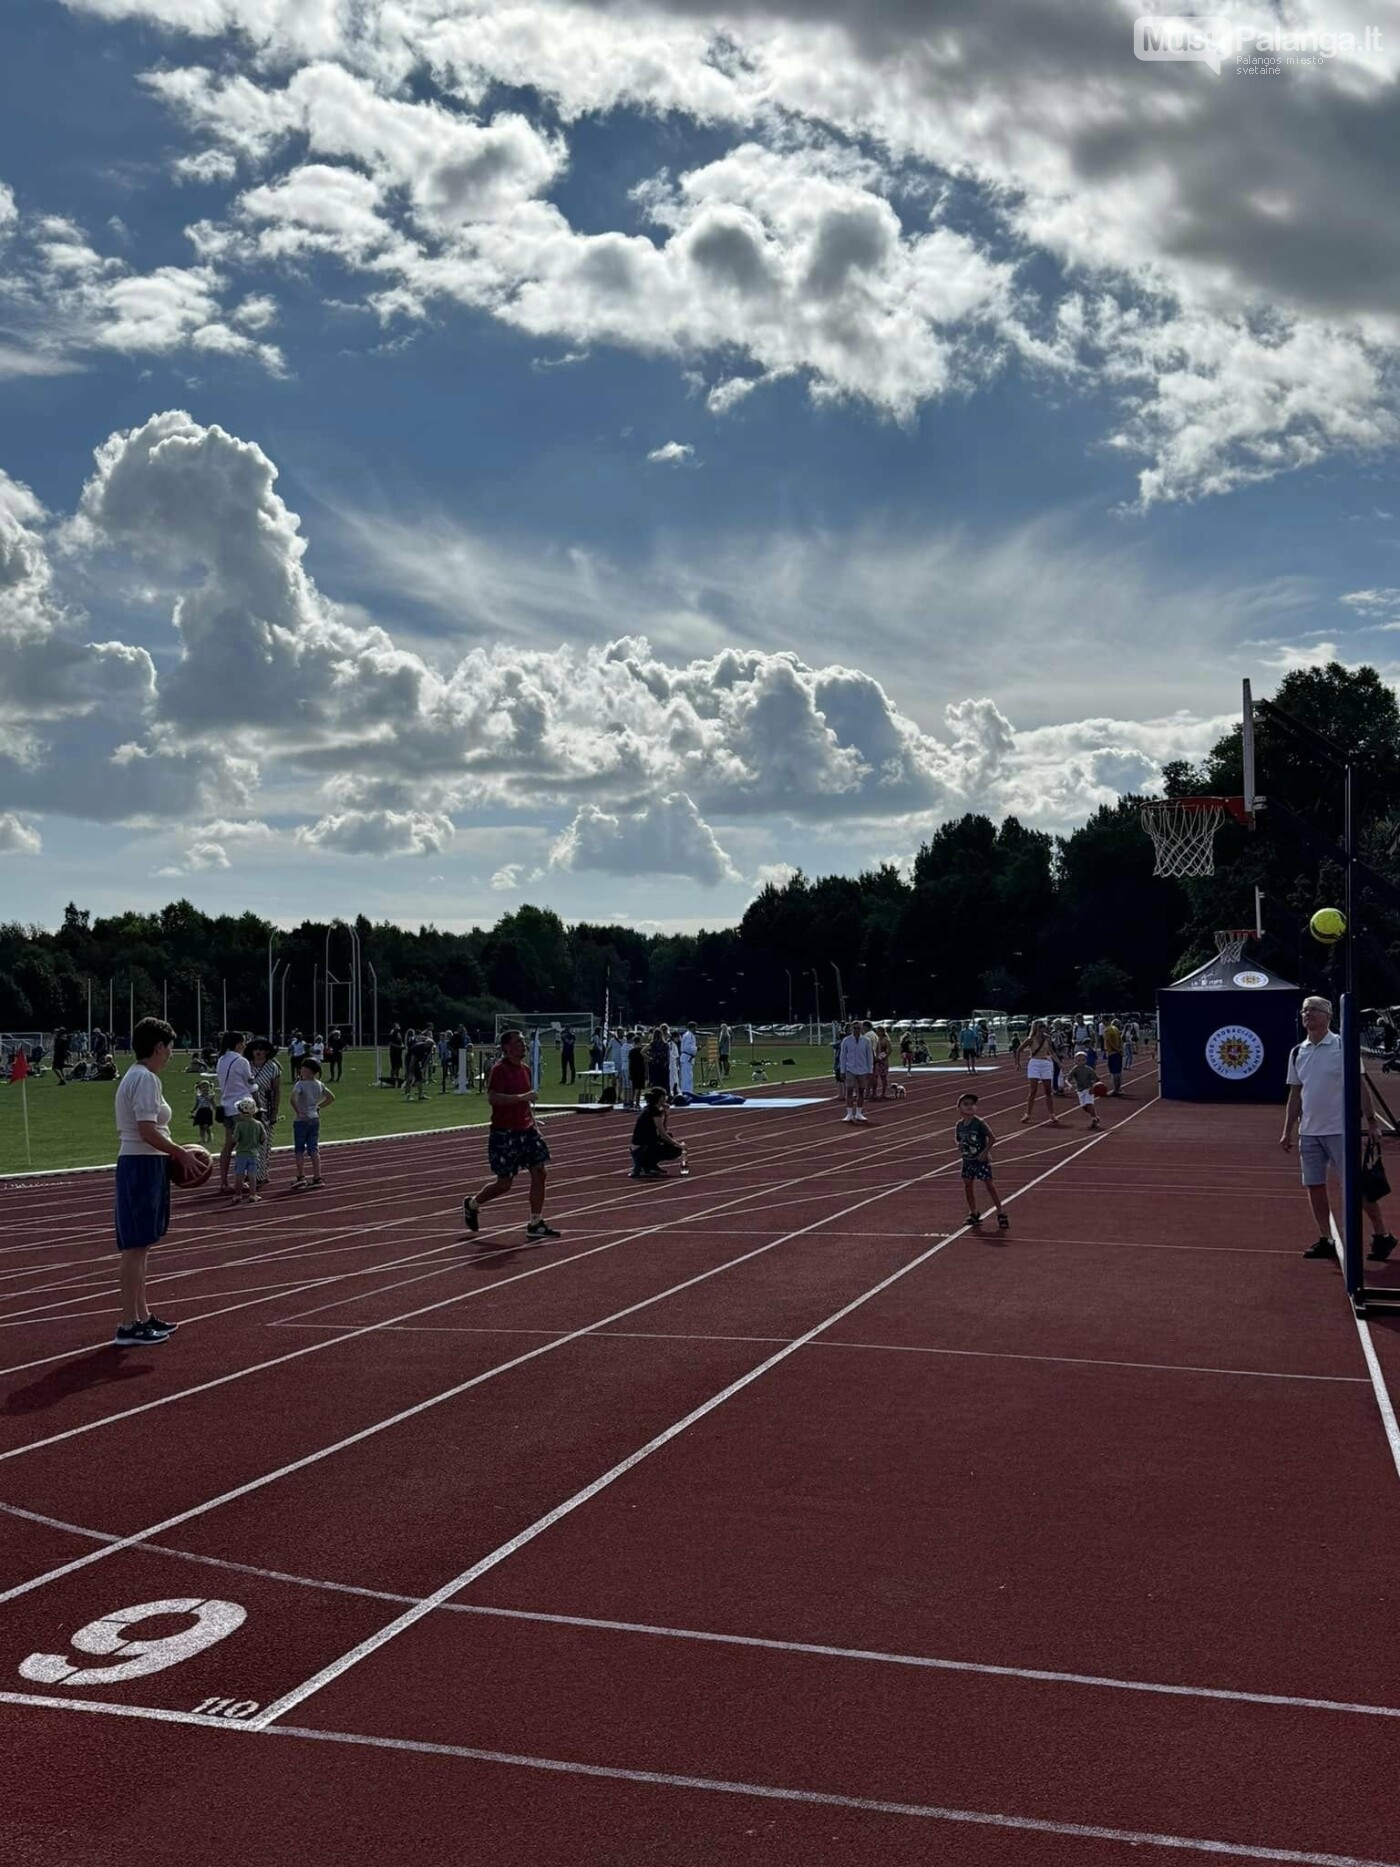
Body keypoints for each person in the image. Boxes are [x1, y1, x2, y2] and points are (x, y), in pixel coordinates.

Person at [1281, 993, 1397, 1261]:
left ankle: (1381, 1234)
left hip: (1339, 1129)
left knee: (1355, 1185)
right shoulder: (1298, 1051)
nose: (1307, 1015)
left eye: (1313, 1010)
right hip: (1309, 1131)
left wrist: (1371, 1122)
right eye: (1304, 1011)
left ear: (1328, 1015)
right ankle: (1326, 1237)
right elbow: (1296, 1093)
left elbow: (1359, 1086)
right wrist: (1287, 1128)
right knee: (1314, 1185)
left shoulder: (1343, 1046)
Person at [112, 1017, 196, 1346]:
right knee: (135, 1246)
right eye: (170, 1048)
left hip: (145, 1163)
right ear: (159, 1046)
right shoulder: (144, 1078)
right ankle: (128, 1323)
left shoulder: (139, 1076)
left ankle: (142, 1316)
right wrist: (180, 1153)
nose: (171, 1055)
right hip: (141, 1163)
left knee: (142, 1244)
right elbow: (147, 1130)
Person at [463, 1028, 561, 1243]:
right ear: (507, 1047)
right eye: (518, 1041)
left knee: (540, 1172)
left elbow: (525, 1104)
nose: (523, 1044)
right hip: (504, 1133)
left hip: (527, 1130)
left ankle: (536, 1222)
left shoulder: (525, 1070)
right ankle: (472, 1205)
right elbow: (494, 1099)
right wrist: (522, 1097)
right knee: (504, 1184)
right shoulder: (499, 1070)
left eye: (524, 1041)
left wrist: (534, 1123)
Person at [956, 1093, 1009, 1230]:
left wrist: (985, 1152)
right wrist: (960, 1145)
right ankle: (974, 1213)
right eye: (966, 1104)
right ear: (959, 1108)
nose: (969, 1107)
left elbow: (992, 1138)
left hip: (980, 1161)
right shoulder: (959, 1125)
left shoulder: (979, 1123)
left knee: (989, 1185)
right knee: (968, 1185)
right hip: (967, 1161)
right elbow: (959, 1140)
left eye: (972, 1104)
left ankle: (1000, 1212)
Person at [215, 1031, 257, 1193]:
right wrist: (258, 1105)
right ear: (237, 1044)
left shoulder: (221, 1060)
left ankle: (224, 1181)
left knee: (228, 1145)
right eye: (243, 1042)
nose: (245, 1045)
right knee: (245, 1145)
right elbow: (251, 1085)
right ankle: (241, 1180)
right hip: (242, 1106)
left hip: (226, 1106)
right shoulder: (241, 1061)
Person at [290, 1055, 334, 1190]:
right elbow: (331, 1097)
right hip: (314, 1118)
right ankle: (317, 1176)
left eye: (302, 1068)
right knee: (313, 1148)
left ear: (308, 1070)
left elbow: (292, 1099)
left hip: (302, 1120)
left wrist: (299, 1112)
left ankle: (301, 1176)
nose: (300, 1070)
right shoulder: (319, 1084)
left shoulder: (300, 1084)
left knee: (299, 1149)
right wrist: (318, 1107)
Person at [630, 1087, 689, 1178]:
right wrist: (678, 1145)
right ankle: (644, 1165)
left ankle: (650, 1165)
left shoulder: (650, 1109)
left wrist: (666, 1116)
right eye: (664, 1096)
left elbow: (664, 1131)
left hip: (643, 1145)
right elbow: (662, 1134)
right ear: (661, 1098)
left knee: (669, 1136)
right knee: (675, 1149)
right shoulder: (653, 1112)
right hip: (641, 1148)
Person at [247, 1037, 282, 1187]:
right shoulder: (247, 1066)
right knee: (248, 1142)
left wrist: (274, 1111)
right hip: (248, 1107)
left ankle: (261, 1174)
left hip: (266, 1106)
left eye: (262, 1049)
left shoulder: (273, 1067)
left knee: (264, 1142)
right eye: (256, 1049)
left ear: (267, 1051)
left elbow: (276, 1091)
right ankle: (250, 1172)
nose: (259, 1052)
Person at [1021, 1019, 1062, 1127]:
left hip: (1045, 1063)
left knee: (1048, 1091)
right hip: (1034, 1063)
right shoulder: (1031, 1039)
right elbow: (1019, 1050)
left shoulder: (1047, 1038)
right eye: (1041, 1026)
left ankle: (1052, 1114)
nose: (1043, 1028)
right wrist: (1017, 1064)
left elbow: (1051, 1052)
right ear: (1036, 1028)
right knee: (1033, 1090)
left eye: (1043, 1026)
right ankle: (1027, 1114)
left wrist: (1058, 1062)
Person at [229, 1097, 264, 1206]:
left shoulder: (239, 1125)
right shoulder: (258, 1124)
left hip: (241, 1153)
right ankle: (252, 1195)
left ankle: (238, 1194)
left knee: (240, 1174)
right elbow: (263, 1138)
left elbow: (235, 1139)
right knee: (252, 1175)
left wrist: (232, 1136)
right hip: (253, 1153)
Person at [839, 1019, 874, 1123]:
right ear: (851, 1029)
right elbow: (843, 1056)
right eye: (854, 1028)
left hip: (863, 1069)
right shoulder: (846, 1041)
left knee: (861, 1091)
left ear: (861, 1029)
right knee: (849, 1091)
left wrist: (870, 1070)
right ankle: (849, 1113)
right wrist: (842, 1070)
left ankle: (859, 1113)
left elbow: (869, 1056)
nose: (856, 1030)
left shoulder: (866, 1041)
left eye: (858, 1028)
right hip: (850, 1069)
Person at [1067, 1051, 1103, 1131]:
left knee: (1089, 1104)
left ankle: (1094, 1120)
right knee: (1084, 1107)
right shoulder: (1074, 1070)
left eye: (1083, 1060)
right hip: (1080, 1090)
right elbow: (1068, 1079)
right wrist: (1070, 1085)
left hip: (1088, 1089)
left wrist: (1093, 1087)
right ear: (1075, 1061)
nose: (1081, 1062)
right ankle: (1095, 1116)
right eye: (1078, 1060)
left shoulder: (1088, 1069)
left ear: (1086, 1060)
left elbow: (1097, 1078)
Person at [1102, 1016, 1125, 1096]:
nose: (1103, 1023)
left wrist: (1116, 1049)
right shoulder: (1116, 1028)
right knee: (1118, 1072)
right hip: (1118, 1053)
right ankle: (1118, 1088)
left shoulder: (1107, 1030)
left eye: (1103, 1021)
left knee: (1114, 1072)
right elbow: (1120, 1040)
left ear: (1107, 1021)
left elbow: (1109, 1042)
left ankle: (1115, 1090)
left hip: (1112, 1053)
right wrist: (1120, 1050)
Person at [626, 1032, 647, 1110]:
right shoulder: (642, 1050)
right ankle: (637, 1103)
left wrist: (629, 1072)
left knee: (633, 1087)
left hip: (633, 1070)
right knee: (639, 1088)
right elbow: (645, 1062)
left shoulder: (631, 1051)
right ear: (640, 1042)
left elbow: (629, 1062)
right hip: (640, 1070)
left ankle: (631, 1102)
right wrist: (646, 1072)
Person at [191, 1077, 215, 1144]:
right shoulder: (198, 1097)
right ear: (200, 1089)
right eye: (203, 1087)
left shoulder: (210, 1096)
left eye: (207, 1087)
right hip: (200, 1112)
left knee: (206, 1126)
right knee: (201, 1126)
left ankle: (209, 1136)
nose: (205, 1089)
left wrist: (216, 1109)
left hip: (207, 1111)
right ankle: (202, 1138)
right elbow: (197, 1104)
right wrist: (193, 1110)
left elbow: (213, 1104)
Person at [871, 1025, 892, 1098]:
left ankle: (883, 1093)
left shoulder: (885, 1040)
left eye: (878, 1031)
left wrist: (884, 1057)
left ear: (882, 1032)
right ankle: (874, 1092)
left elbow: (889, 1050)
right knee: (874, 1076)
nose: (877, 1032)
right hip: (876, 1061)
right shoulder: (876, 1039)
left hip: (883, 1061)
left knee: (883, 1077)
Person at [679, 1022, 699, 1096]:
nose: (696, 1029)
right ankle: (686, 1092)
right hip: (686, 1058)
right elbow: (687, 1047)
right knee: (686, 1077)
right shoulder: (688, 1035)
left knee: (689, 1076)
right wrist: (696, 1048)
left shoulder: (689, 1035)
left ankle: (688, 1091)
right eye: (695, 1027)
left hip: (688, 1058)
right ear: (692, 1027)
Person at [387, 1023, 404, 1088]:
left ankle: (397, 1079)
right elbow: (390, 1043)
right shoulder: (392, 1033)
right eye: (398, 1026)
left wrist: (402, 1045)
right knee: (394, 1066)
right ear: (394, 1027)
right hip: (394, 1052)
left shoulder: (398, 1033)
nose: (399, 1027)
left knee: (399, 1066)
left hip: (399, 1052)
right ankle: (391, 1080)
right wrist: (399, 1047)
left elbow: (400, 1041)